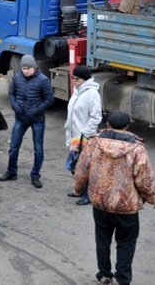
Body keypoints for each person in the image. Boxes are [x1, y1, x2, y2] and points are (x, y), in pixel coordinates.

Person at [73, 111, 155, 285]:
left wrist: (78, 189)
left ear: (108, 125)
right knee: (126, 242)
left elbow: (82, 170)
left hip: (101, 203)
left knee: (102, 240)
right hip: (127, 207)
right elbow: (145, 181)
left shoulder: (93, 144)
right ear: (127, 127)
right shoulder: (137, 150)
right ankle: (123, 279)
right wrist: (153, 198)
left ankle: (104, 274)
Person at [0, 55, 54, 188]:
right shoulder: (17, 78)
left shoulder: (43, 80)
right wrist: (14, 105)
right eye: (23, 68)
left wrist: (36, 110)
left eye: (28, 68)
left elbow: (49, 99)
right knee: (13, 147)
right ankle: (12, 171)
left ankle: (35, 175)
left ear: (34, 67)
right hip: (20, 118)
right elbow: (11, 94)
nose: (26, 71)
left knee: (38, 149)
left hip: (37, 120)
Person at [64, 65, 102, 205]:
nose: (73, 81)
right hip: (75, 137)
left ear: (85, 80)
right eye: (72, 78)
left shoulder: (92, 94)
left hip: (85, 138)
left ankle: (88, 194)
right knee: (75, 167)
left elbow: (96, 117)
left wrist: (85, 134)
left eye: (76, 79)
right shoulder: (77, 91)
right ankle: (79, 190)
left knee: (85, 168)